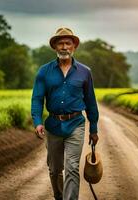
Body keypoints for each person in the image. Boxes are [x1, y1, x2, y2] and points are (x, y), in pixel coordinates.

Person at [31, 27, 99, 200]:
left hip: (76, 124)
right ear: (55, 47)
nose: (64, 47)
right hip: (53, 126)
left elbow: (91, 101)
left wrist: (94, 128)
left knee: (72, 166)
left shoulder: (85, 72)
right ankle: (59, 197)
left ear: (74, 46)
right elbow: (37, 99)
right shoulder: (44, 72)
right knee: (55, 169)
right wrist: (38, 121)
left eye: (68, 43)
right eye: (60, 43)